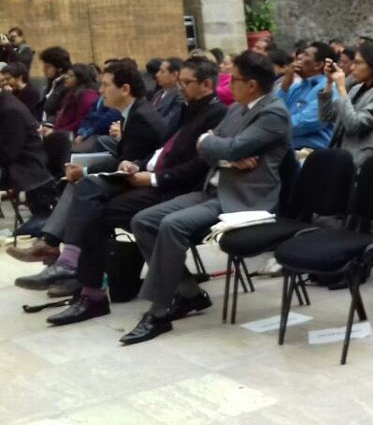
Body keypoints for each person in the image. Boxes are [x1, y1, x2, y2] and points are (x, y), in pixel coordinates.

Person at [118, 51, 292, 345]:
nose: (228, 84)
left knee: (172, 224)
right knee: (143, 220)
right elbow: (209, 145)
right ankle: (189, 293)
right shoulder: (237, 109)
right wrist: (224, 153)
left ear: (251, 84)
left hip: (243, 199)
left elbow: (227, 146)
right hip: (213, 189)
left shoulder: (273, 113)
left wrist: (222, 148)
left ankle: (158, 313)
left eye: (233, 79)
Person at [39, 59, 230, 322]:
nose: (180, 87)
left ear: (206, 84)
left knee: (94, 210)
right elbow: (163, 150)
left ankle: (87, 287)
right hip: (153, 177)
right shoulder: (190, 108)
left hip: (174, 188)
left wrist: (154, 178)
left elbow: (199, 165)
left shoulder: (216, 113)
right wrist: (136, 165)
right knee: (89, 199)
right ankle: (85, 283)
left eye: (186, 82)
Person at [10, 59, 169, 273]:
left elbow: (127, 163)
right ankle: (56, 253)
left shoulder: (141, 118)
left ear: (124, 89)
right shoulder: (133, 112)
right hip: (134, 172)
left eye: (105, 85)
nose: (100, 91)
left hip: (146, 182)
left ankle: (63, 259)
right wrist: (84, 169)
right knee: (77, 183)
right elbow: (123, 157)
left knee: (85, 190)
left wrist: (85, 171)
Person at [317, 41, 373, 167]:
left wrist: (341, 88)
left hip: (362, 162)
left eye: (358, 63)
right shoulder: (356, 89)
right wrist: (329, 82)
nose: (352, 68)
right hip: (339, 155)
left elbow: (354, 126)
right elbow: (326, 116)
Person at [0, 88, 56, 223]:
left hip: (24, 166)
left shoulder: (10, 110)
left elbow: (7, 153)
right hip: (13, 161)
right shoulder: (4, 102)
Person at [276, 41, 337, 150]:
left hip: (312, 151)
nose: (299, 57)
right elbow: (274, 110)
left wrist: (271, 126)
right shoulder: (297, 86)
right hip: (287, 148)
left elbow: (305, 122)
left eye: (306, 55)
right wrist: (285, 86)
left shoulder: (328, 88)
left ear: (318, 65)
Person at [45, 63, 100, 135]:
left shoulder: (87, 96)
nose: (66, 77)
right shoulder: (70, 93)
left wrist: (56, 133)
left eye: (71, 76)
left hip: (73, 136)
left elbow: (80, 123)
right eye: (67, 74)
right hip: (61, 132)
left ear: (80, 79)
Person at [149, 57, 185, 133]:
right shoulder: (158, 93)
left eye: (162, 72)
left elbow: (167, 124)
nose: (157, 75)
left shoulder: (180, 96)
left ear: (174, 75)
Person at [39, 46, 72, 124]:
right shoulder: (51, 84)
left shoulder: (66, 86)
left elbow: (61, 114)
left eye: (48, 67)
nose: (44, 70)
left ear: (60, 68)